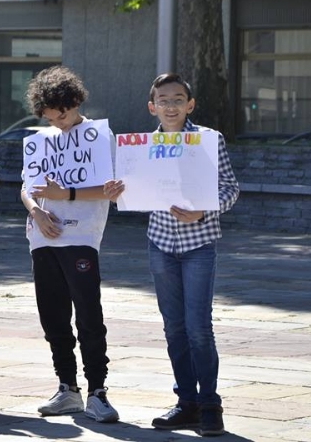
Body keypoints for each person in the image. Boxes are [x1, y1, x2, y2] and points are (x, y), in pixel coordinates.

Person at [105, 72, 239, 436]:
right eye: (163, 100)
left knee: (199, 329)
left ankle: (210, 404)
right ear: (153, 107)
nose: (171, 105)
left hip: (199, 244)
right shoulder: (140, 146)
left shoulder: (208, 140)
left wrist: (204, 210)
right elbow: (131, 190)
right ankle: (186, 402)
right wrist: (118, 192)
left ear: (190, 104)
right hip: (161, 245)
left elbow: (230, 188)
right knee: (174, 329)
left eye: (178, 99)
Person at [20, 66, 120, 423]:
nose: (59, 122)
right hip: (42, 237)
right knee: (53, 317)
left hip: (81, 237)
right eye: (51, 117)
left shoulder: (98, 137)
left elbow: (110, 189)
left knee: (89, 314)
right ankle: (67, 387)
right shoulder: (40, 140)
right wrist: (36, 212)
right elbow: (27, 186)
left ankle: (98, 391)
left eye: (62, 114)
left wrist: (68, 194)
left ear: (75, 101)